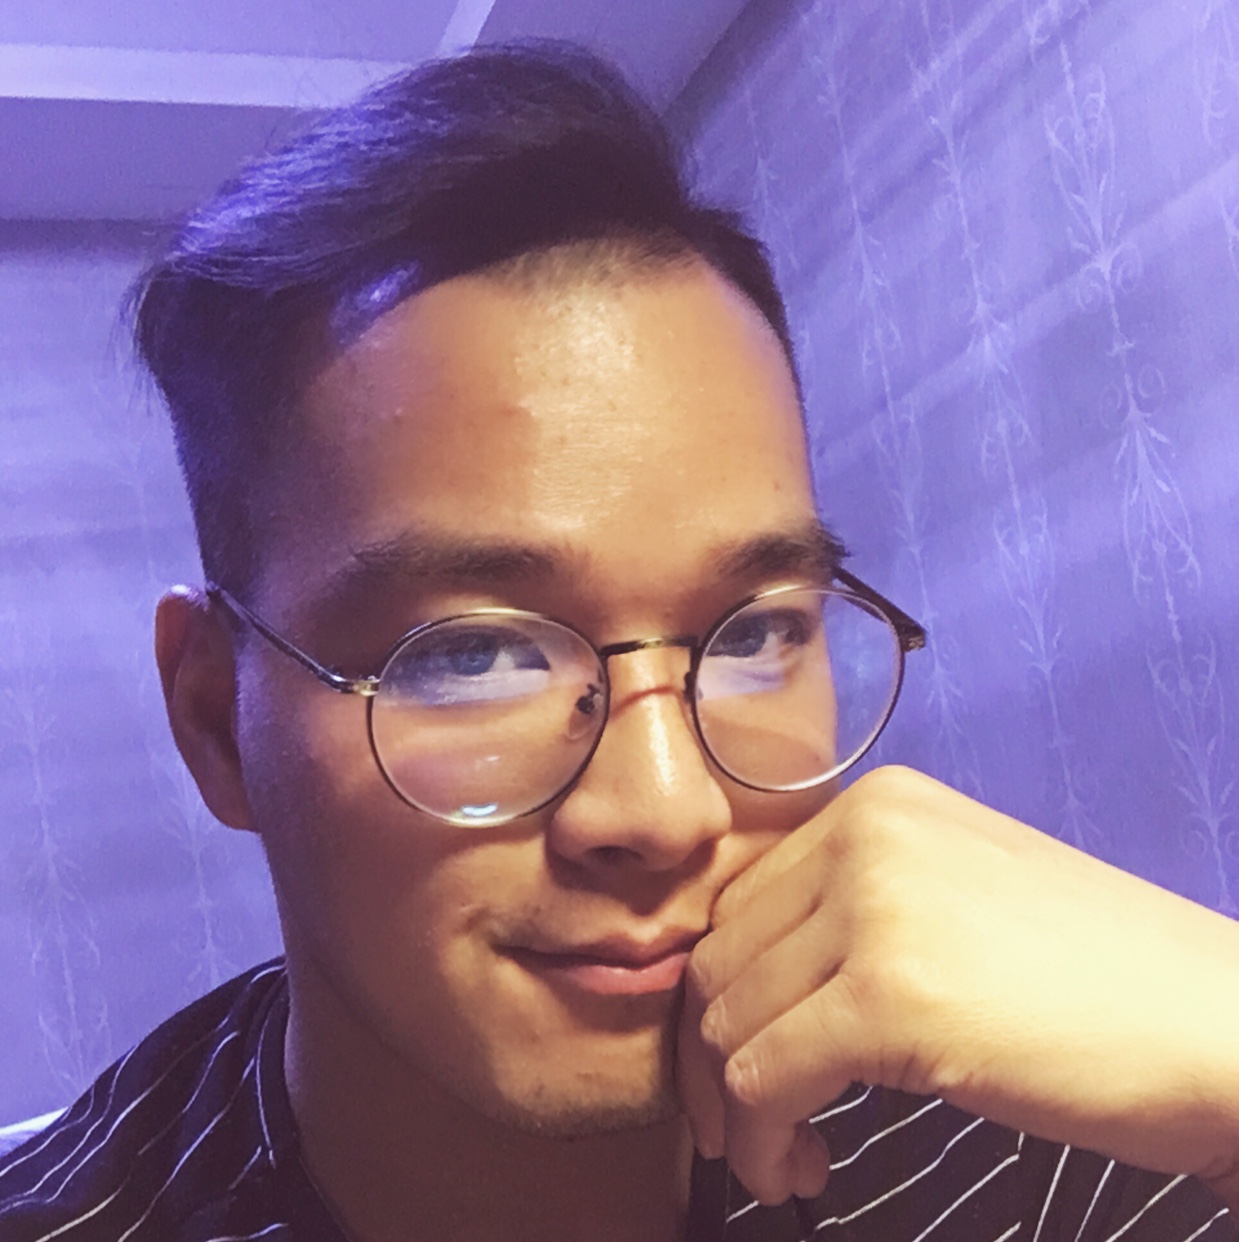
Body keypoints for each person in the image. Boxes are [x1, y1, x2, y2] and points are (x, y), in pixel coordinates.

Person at [1, 40, 1236, 1242]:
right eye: (473, 655)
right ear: (216, 720)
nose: (666, 810)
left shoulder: (1035, 1126)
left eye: (755, 632)